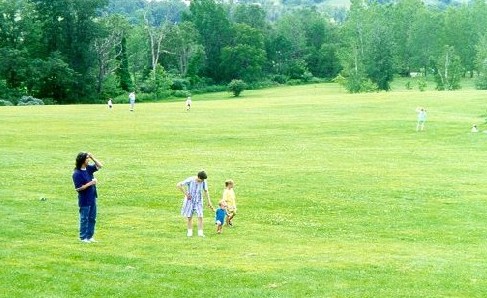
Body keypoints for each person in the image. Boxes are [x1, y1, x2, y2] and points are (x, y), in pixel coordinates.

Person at [72, 152, 103, 243]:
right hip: (84, 199)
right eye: (87, 158)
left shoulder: (88, 169)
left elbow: (100, 166)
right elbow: (78, 188)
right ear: (82, 161)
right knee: (84, 218)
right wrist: (91, 183)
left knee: (92, 218)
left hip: (92, 197)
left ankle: (89, 236)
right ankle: (83, 237)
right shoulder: (76, 173)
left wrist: (93, 157)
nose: (88, 160)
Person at [177, 170, 213, 237]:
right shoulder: (190, 180)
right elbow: (179, 185)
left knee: (200, 216)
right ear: (198, 177)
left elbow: (206, 191)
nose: (202, 181)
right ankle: (189, 232)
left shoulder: (204, 181)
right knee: (189, 216)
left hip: (199, 201)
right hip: (190, 201)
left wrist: (209, 202)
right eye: (201, 179)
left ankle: (200, 233)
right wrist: (186, 194)